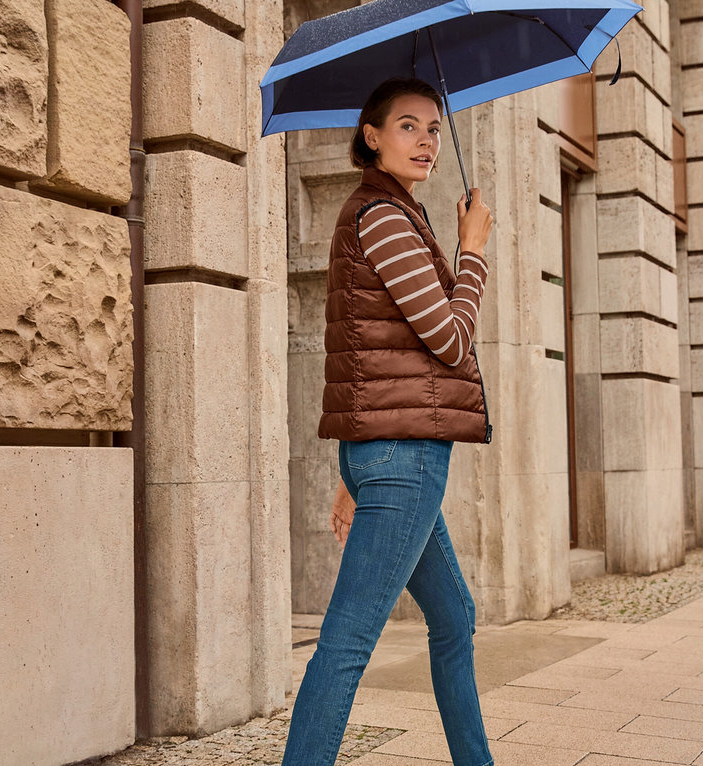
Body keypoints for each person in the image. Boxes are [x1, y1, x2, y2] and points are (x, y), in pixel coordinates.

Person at [282, 77, 494, 766]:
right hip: (405, 459)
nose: (427, 140)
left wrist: (356, 461)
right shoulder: (385, 218)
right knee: (346, 644)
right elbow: (449, 339)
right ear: (371, 135)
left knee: (454, 617)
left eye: (433, 127)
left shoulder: (382, 214)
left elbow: (359, 350)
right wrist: (474, 253)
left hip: (387, 453)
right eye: (408, 126)